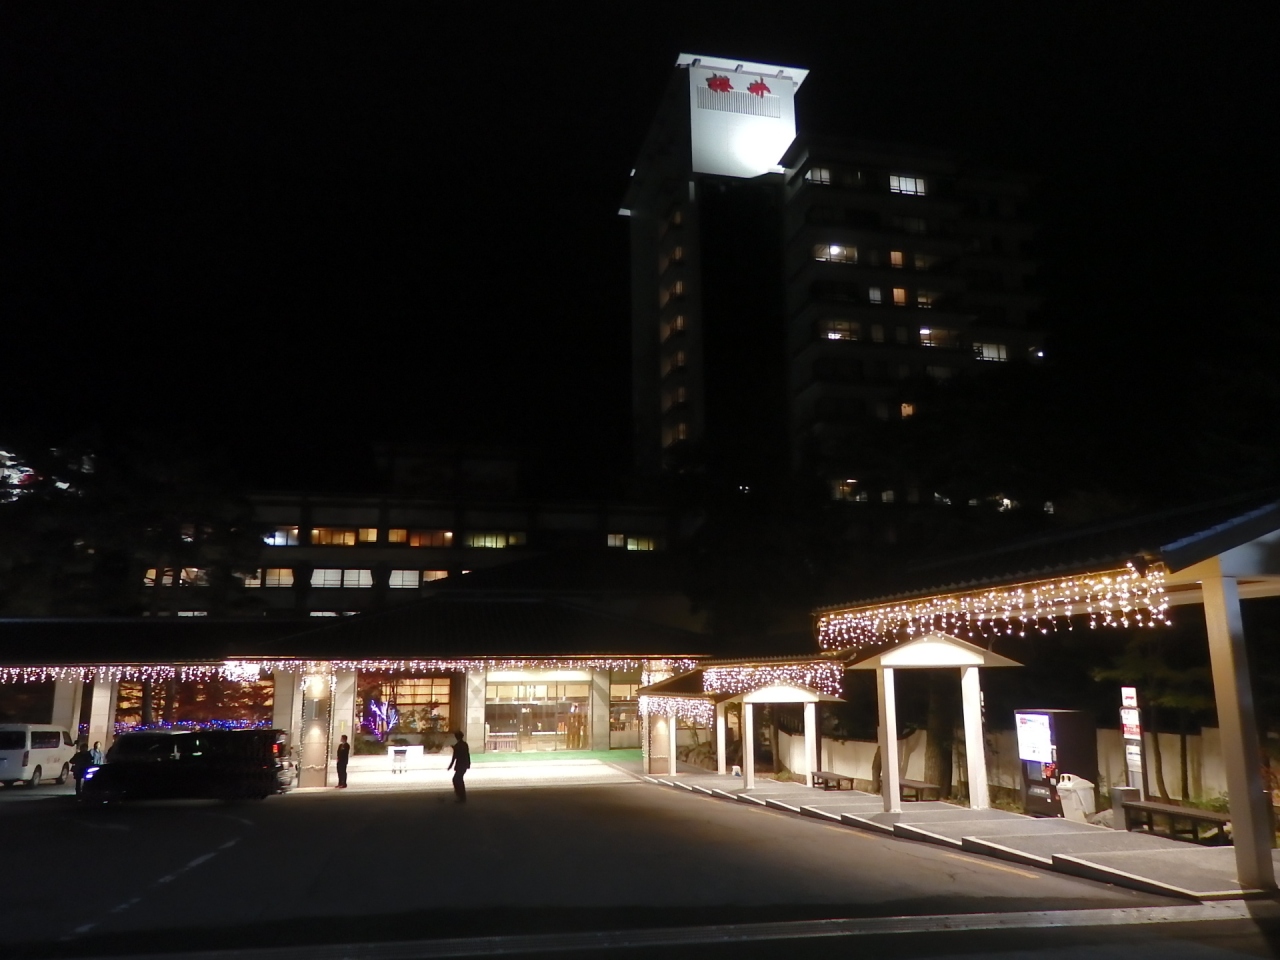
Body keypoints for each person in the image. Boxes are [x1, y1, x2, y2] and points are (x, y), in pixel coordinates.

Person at [447, 730, 470, 803]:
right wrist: (468, 764)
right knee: (459, 780)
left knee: (456, 780)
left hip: (460, 764)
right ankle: (462, 796)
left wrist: (450, 766)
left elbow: (454, 757)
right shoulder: (465, 744)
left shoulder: (457, 746)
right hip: (464, 764)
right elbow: (467, 754)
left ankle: (460, 796)